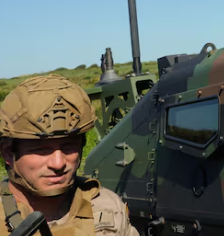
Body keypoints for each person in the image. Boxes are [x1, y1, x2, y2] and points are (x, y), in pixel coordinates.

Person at [0, 74, 139, 236]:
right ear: (8, 153)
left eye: (68, 147)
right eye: (41, 150)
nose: (58, 164)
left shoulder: (106, 206)